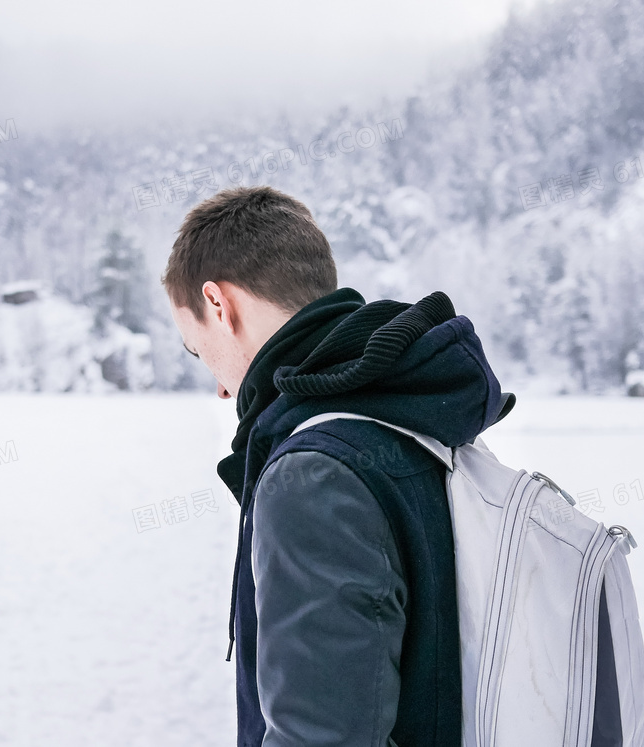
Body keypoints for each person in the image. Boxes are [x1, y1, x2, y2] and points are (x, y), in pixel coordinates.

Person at [161, 185, 514, 747]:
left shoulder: (313, 475)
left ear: (218, 304)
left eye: (195, 349)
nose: (223, 388)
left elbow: (321, 737)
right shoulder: (412, 419)